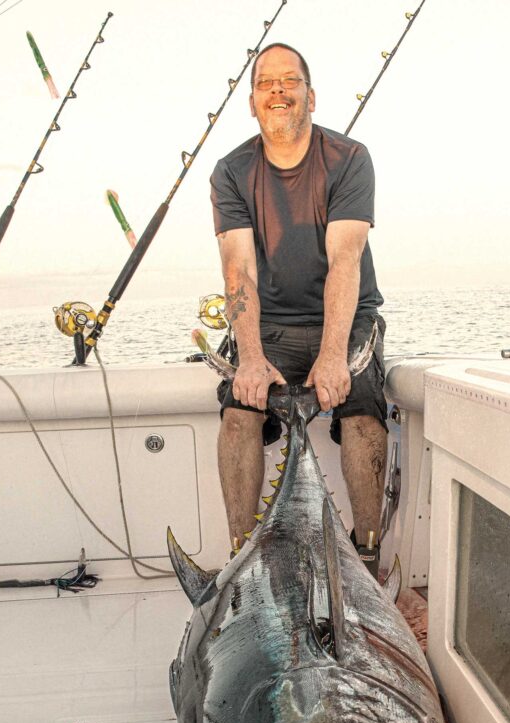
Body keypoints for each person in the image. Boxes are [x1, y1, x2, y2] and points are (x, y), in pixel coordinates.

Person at [210, 42, 387, 578]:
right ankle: (244, 558)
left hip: (346, 315)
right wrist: (251, 355)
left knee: (360, 411)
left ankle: (366, 557)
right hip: (268, 323)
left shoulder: (349, 158)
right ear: (251, 102)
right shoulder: (231, 171)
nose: (278, 91)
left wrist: (335, 354)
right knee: (240, 413)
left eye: (290, 81)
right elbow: (238, 270)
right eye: (266, 84)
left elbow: (345, 258)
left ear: (312, 95)